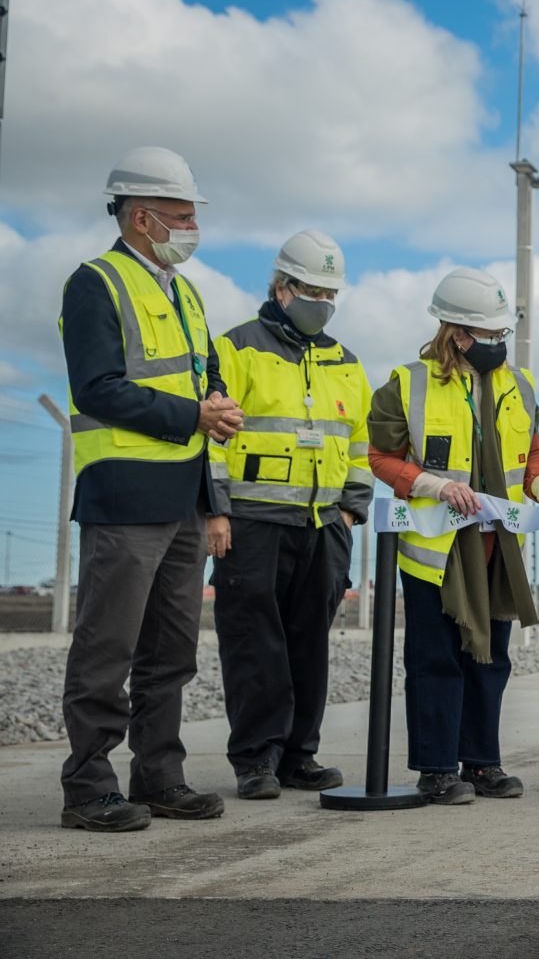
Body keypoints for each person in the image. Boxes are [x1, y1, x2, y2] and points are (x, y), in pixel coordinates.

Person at [57, 147, 244, 831]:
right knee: (108, 648)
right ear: (141, 217)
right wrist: (193, 415)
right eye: (182, 216)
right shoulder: (95, 283)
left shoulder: (184, 293)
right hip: (125, 496)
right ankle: (88, 787)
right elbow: (97, 388)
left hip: (184, 498)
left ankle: (159, 774)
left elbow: (205, 376)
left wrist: (216, 407)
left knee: (172, 654)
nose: (193, 228)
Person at [368, 267, 539, 805]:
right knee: (435, 658)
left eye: (504, 333)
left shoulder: (517, 385)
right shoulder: (405, 384)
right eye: (491, 334)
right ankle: (436, 768)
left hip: (496, 550)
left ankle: (481, 763)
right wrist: (433, 486)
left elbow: (534, 452)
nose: (500, 343)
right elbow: (380, 458)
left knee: (490, 657)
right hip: (435, 554)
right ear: (457, 333)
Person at [208, 230, 373, 800]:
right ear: (282, 287)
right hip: (252, 523)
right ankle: (256, 759)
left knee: (309, 645)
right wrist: (218, 509)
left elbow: (358, 443)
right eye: (311, 289)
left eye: (331, 292)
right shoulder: (235, 349)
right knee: (254, 644)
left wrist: (351, 512)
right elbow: (215, 439)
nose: (322, 302)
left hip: (323, 526)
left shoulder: (345, 362)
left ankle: (299, 756)